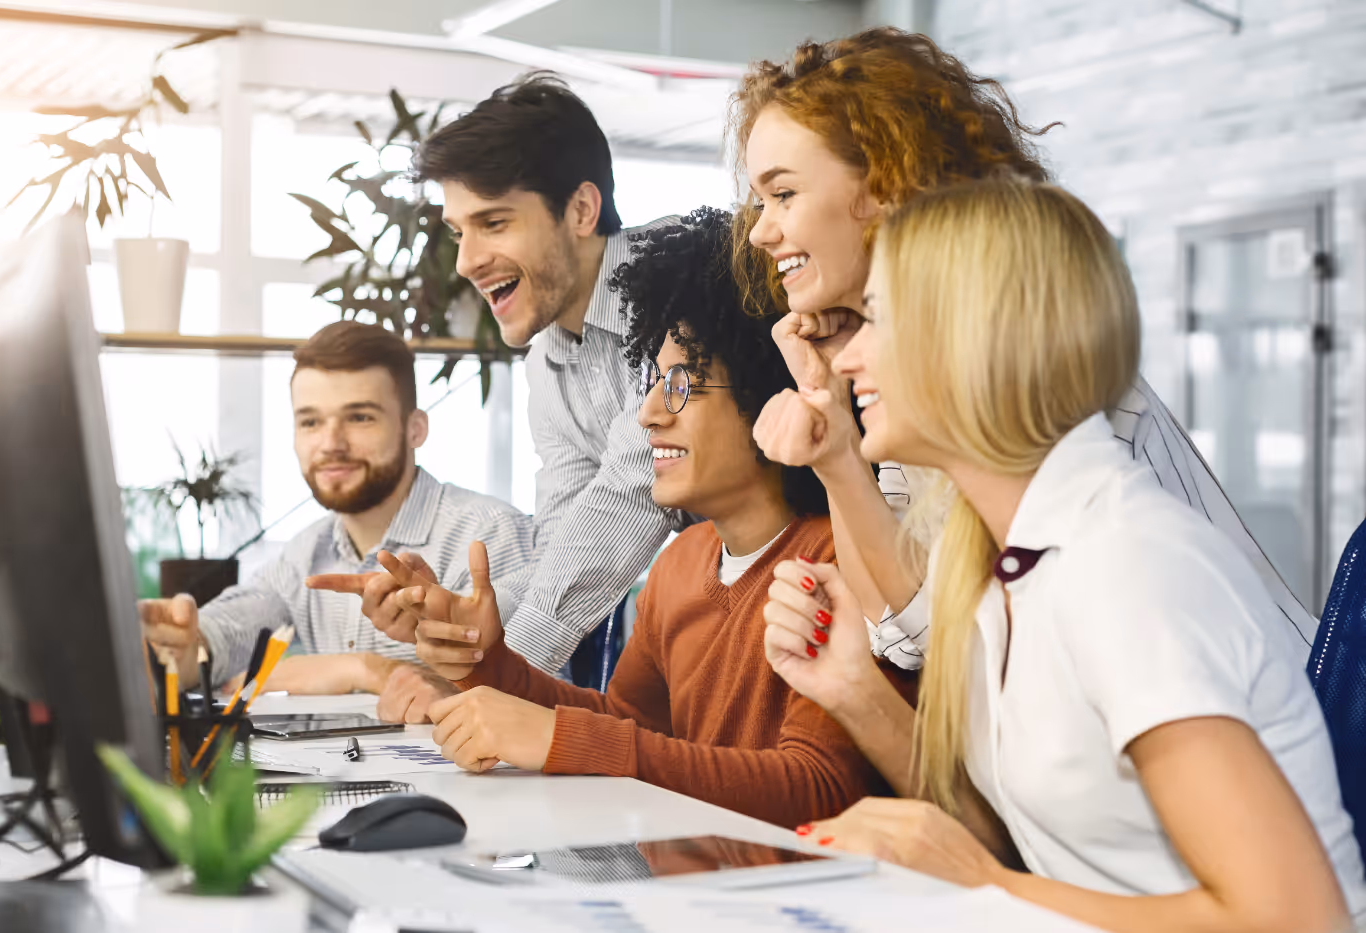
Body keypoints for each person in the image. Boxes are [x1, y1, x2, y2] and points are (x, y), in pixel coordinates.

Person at [763, 180, 1365, 932]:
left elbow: (1297, 917)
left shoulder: (1126, 565)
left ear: (975, 336)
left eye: (877, 318)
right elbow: (1024, 843)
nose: (849, 354)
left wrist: (985, 886)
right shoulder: (1004, 560)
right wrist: (855, 687)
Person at [736, 29, 1317, 672]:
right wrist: (836, 436)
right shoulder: (913, 367)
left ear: (884, 182)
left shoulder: (1011, 355)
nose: (761, 230)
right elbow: (903, 637)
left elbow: (938, 633)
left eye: (783, 193)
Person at [382, 208, 914, 828]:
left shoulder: (842, 562)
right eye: (654, 382)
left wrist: (561, 738)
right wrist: (490, 663)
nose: (650, 414)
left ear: (768, 390)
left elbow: (818, 788)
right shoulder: (684, 563)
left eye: (682, 384)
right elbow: (633, 729)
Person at [323, 73, 679, 683]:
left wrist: (484, 673)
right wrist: (465, 625)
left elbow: (630, 500)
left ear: (581, 210)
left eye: (494, 223)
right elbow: (566, 533)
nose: (465, 262)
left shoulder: (674, 284)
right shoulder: (549, 355)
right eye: (459, 232)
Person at [138, 321, 533, 703]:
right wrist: (180, 644)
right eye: (310, 421)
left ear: (415, 430)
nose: (331, 443)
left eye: (360, 417)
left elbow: (531, 694)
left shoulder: (489, 535)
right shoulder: (308, 550)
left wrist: (350, 671)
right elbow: (229, 632)